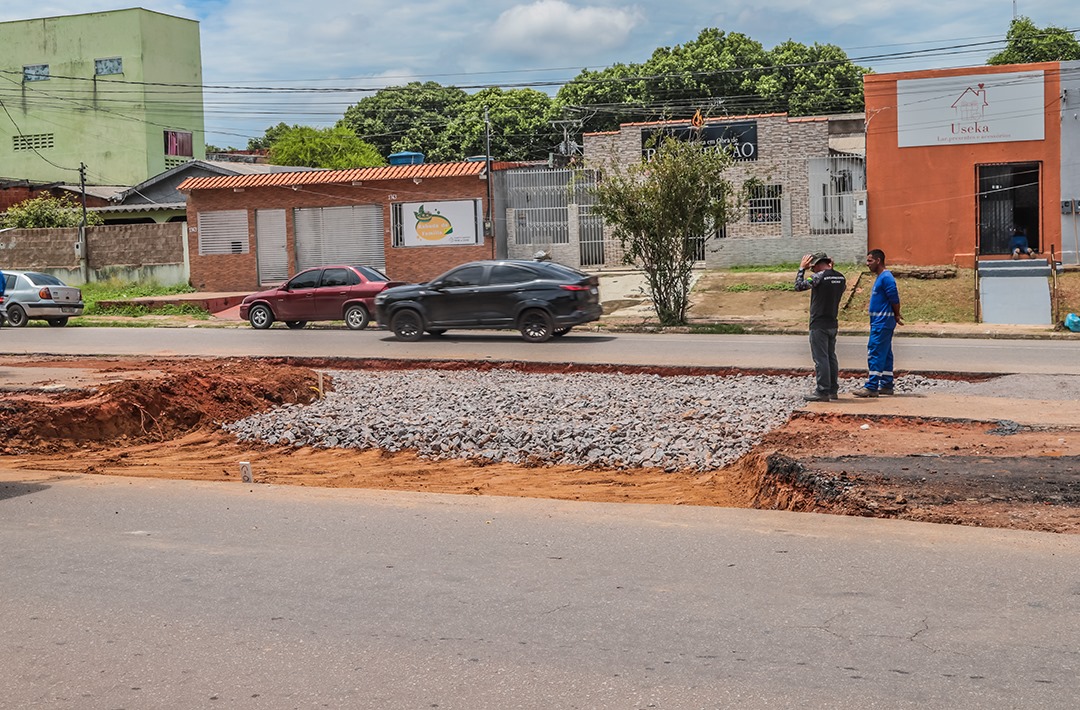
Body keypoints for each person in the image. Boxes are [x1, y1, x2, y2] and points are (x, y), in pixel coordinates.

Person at [795, 251, 847, 402]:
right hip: (832, 322)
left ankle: (822, 391)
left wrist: (801, 269)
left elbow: (799, 286)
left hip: (818, 323)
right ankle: (832, 390)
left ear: (818, 264)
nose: (812, 269)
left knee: (821, 358)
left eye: (813, 266)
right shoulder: (840, 277)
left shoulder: (818, 277)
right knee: (831, 356)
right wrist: (832, 269)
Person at [854, 249, 902, 398]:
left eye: (870, 261)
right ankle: (887, 384)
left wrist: (897, 314)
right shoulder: (881, 277)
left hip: (882, 323)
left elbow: (894, 297)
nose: (867, 264)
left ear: (878, 261)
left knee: (874, 351)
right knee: (886, 353)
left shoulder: (886, 277)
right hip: (879, 322)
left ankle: (872, 386)